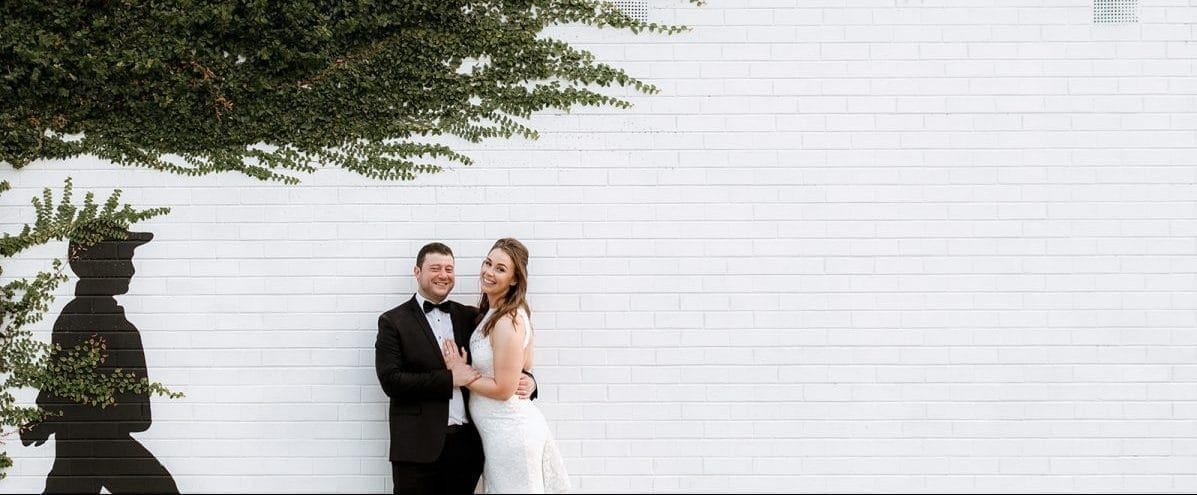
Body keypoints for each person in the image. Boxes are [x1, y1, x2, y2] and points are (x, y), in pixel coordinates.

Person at [21, 231, 178, 494]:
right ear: (100, 264)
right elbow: (64, 383)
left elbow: (60, 385)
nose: (131, 269)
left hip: (90, 445)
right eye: (124, 259)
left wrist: (47, 420)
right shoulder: (93, 320)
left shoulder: (92, 318)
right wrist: (49, 420)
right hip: (98, 445)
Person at [375, 242, 536, 494]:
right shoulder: (392, 322)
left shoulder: (471, 317)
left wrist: (531, 381)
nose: (443, 275)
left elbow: (503, 358)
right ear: (417, 272)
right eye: (435, 268)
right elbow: (391, 381)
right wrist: (450, 378)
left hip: (467, 448)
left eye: (449, 269)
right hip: (416, 449)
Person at [441, 238, 570, 493]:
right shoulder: (496, 312)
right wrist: (528, 379)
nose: (489, 272)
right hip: (498, 436)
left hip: (512, 435)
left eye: (500, 269)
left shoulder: (508, 320)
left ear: (514, 279)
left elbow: (504, 389)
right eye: (488, 263)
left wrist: (462, 374)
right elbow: (526, 364)